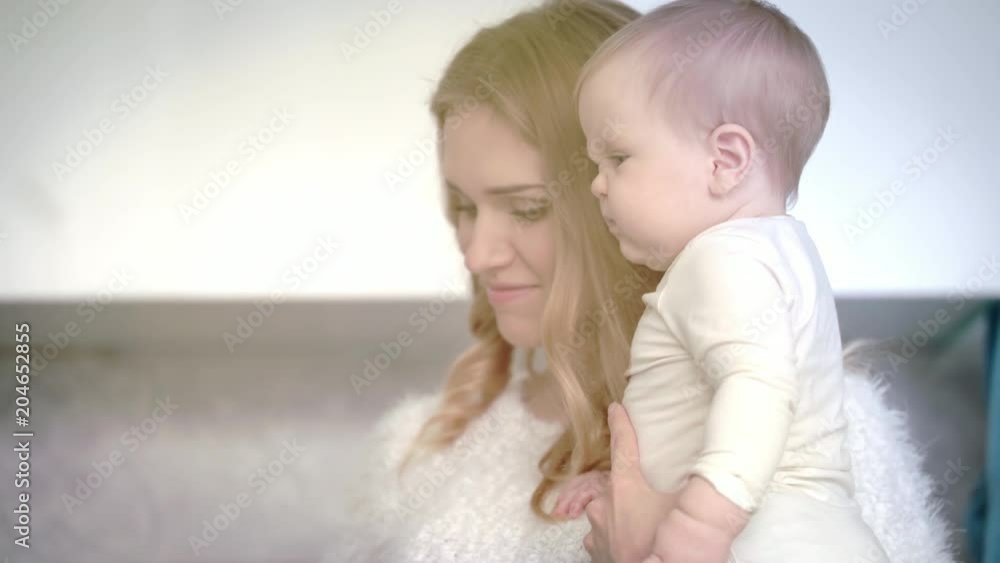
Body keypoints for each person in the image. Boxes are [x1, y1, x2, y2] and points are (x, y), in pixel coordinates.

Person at [326, 1, 954, 562]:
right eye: (464, 206)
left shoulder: (830, 429)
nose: (476, 254)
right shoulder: (417, 443)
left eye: (528, 208)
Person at [555, 1, 886, 561]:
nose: (598, 185)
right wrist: (627, 483)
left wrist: (702, 521)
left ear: (725, 161)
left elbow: (759, 387)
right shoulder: (780, 251)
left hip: (765, 535)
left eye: (618, 157)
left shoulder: (719, 258)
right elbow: (699, 417)